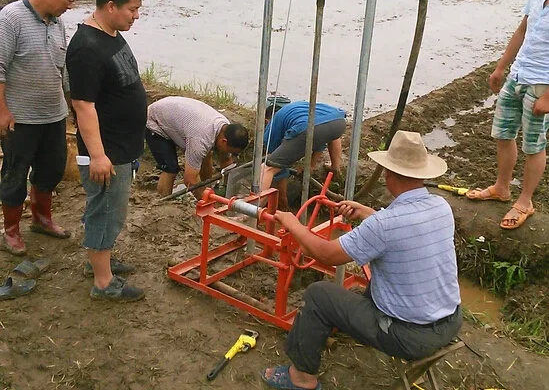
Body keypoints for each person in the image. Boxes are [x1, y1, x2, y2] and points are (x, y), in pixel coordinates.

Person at [261, 131, 462, 390]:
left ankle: (301, 378)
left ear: (388, 175)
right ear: (422, 175)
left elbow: (325, 254)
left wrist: (293, 224)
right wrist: (369, 213)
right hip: (450, 321)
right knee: (374, 284)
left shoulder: (384, 225)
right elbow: (403, 231)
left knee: (319, 294)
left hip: (410, 336)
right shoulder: (440, 207)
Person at [67, 0, 148, 302]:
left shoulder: (109, 34)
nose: (136, 15)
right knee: (105, 211)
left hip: (121, 146)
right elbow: (83, 106)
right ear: (111, 5)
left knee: (110, 210)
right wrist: (99, 155)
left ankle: (100, 262)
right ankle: (102, 283)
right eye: (132, 9)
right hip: (106, 151)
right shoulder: (87, 47)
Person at [0, 0, 83, 255]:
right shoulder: (11, 18)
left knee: (51, 169)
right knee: (15, 173)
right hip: (20, 118)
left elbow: (64, 70)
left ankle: (41, 219)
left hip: (53, 114)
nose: (69, 6)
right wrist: (2, 111)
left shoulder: (57, 22)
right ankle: (10, 231)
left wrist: (73, 106)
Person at [466, 0, 549, 229]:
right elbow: (522, 30)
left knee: (534, 145)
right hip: (517, 76)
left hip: (542, 84)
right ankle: (502, 188)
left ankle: (524, 201)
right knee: (503, 134)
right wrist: (501, 67)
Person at [145, 96, 249, 197]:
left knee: (207, 154)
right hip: (155, 120)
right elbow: (189, 180)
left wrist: (228, 190)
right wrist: (206, 202)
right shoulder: (200, 140)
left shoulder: (225, 127)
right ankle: (164, 202)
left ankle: (207, 187)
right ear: (224, 141)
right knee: (170, 167)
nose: (233, 156)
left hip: (175, 113)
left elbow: (226, 161)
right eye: (232, 152)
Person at [260, 101, 346, 205]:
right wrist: (310, 165)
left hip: (309, 127)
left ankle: (252, 210)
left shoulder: (272, 128)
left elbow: (278, 167)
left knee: (267, 168)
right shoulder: (297, 110)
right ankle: (335, 167)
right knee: (329, 134)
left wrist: (282, 197)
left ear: (266, 121)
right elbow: (320, 139)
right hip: (339, 122)